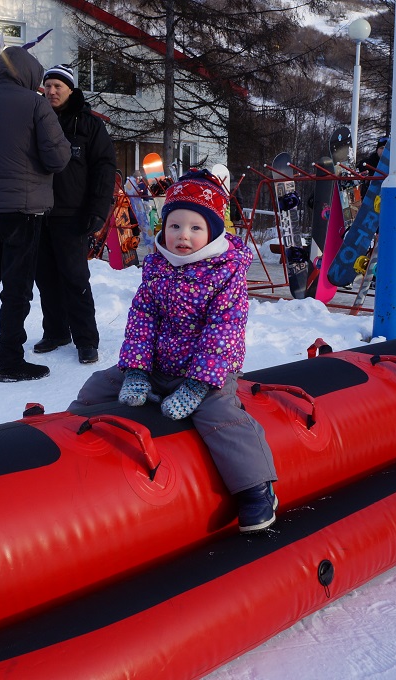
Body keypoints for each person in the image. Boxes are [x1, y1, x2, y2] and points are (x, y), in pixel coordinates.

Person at [69, 170, 279, 533]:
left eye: (195, 228)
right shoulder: (157, 268)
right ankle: (68, 439)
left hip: (207, 373)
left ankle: (256, 488)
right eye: (175, 225)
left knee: (221, 417)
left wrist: (197, 385)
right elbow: (142, 319)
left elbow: (222, 333)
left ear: (212, 233)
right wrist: (135, 370)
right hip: (156, 366)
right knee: (96, 388)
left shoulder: (226, 274)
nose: (183, 235)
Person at [0, 47, 72, 382]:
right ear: (30, 74)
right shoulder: (36, 104)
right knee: (17, 287)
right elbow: (58, 158)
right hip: (24, 208)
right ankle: (10, 361)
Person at [33, 64, 117, 365]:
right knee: (45, 278)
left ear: (70, 89)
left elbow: (105, 169)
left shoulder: (90, 125)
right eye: (48, 86)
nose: (52, 91)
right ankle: (56, 332)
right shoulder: (36, 118)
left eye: (58, 86)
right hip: (38, 212)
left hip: (73, 214)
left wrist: (97, 209)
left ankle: (86, 340)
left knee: (75, 278)